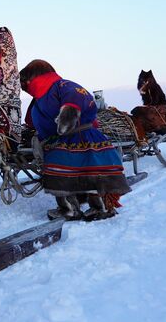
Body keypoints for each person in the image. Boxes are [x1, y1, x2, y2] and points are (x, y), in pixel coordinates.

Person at [20, 59, 131, 221]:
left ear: (33, 78)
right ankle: (69, 209)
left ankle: (101, 206)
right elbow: (32, 119)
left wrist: (67, 118)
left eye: (25, 82)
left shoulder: (62, 86)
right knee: (59, 176)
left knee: (92, 173)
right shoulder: (38, 99)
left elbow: (77, 97)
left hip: (81, 137)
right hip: (57, 142)